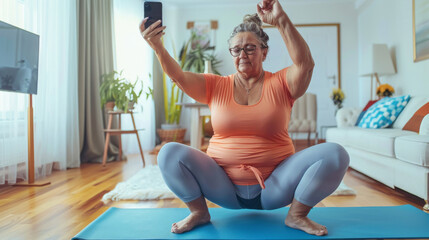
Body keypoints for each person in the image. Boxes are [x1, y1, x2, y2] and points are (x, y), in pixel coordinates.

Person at [140, 0, 349, 236]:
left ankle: (297, 214)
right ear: (231, 52)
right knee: (168, 153)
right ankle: (199, 212)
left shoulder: (281, 82)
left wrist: (280, 21)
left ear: (264, 51)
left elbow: (305, 64)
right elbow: (177, 76)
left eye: (250, 48)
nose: (243, 54)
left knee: (336, 154)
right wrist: (157, 46)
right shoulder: (215, 85)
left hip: (276, 186)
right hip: (222, 187)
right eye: (236, 49)